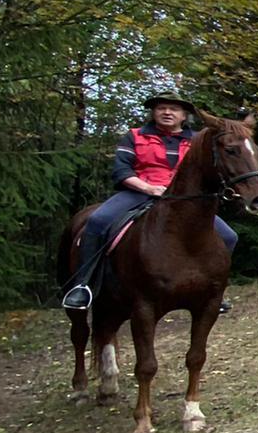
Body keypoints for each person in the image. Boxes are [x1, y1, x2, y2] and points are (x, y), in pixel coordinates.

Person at [62, 92, 237, 310]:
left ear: (184, 115)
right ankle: (82, 285)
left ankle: (214, 290)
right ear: (153, 112)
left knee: (229, 236)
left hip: (182, 200)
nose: (167, 112)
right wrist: (148, 188)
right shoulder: (135, 136)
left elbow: (210, 170)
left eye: (174, 109)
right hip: (138, 192)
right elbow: (121, 170)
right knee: (97, 221)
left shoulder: (197, 141)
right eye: (161, 108)